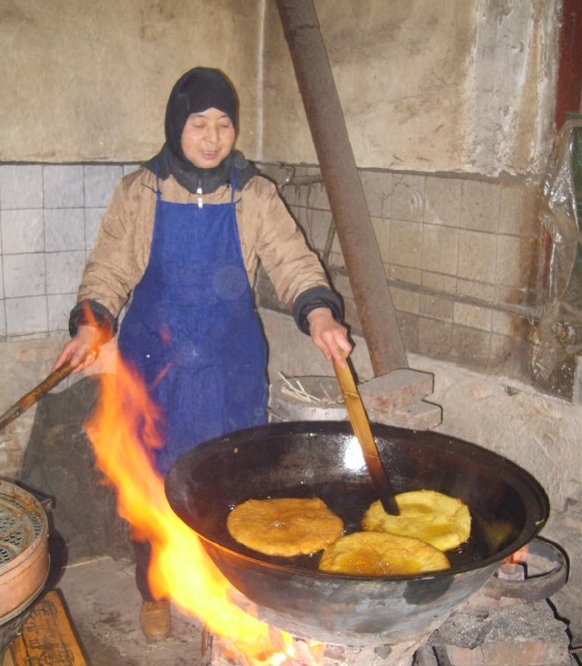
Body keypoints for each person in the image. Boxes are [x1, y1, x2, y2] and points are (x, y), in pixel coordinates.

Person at [54, 66, 352, 641]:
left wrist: (318, 313)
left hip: (228, 369)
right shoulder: (140, 191)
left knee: (232, 486)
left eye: (223, 124)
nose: (212, 137)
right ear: (176, 125)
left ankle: (228, 594)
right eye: (199, 123)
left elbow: (293, 261)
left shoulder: (254, 194)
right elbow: (111, 267)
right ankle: (154, 593)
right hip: (154, 370)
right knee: (151, 482)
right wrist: (93, 324)